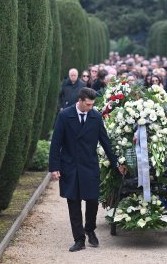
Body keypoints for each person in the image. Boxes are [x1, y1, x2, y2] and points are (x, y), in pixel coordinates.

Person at [49, 87, 125, 252]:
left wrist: (116, 164)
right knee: (73, 203)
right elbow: (56, 143)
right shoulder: (64, 116)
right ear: (80, 101)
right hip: (70, 166)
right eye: (88, 104)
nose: (91, 108)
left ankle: (89, 229)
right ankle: (79, 239)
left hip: (89, 166)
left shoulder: (96, 117)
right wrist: (54, 167)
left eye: (92, 105)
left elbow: (105, 142)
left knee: (92, 201)